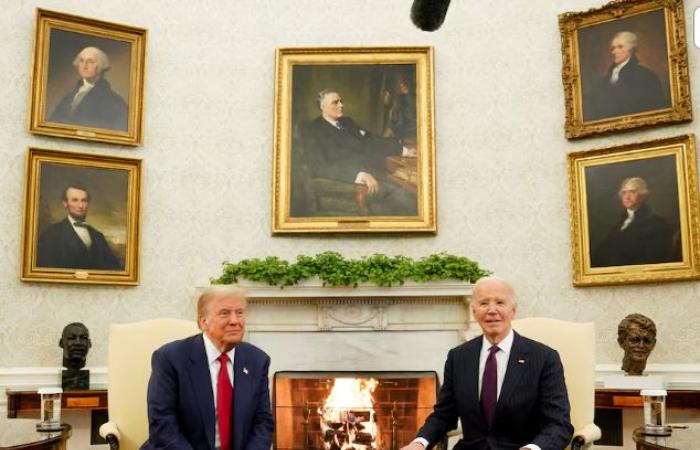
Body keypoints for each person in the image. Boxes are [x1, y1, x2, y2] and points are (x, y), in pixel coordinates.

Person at [400, 277, 573, 450]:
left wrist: (533, 449)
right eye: (484, 303)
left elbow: (559, 425)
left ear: (513, 310)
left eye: (500, 302)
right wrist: (419, 442)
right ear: (474, 311)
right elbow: (443, 415)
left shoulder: (544, 358)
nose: (492, 310)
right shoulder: (458, 357)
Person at [141, 286, 274, 450]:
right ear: (203, 322)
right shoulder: (170, 358)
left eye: (239, 312)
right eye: (224, 313)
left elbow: (263, 422)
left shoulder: (257, 360)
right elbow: (162, 424)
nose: (235, 321)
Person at [299, 89, 418, 216]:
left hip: (376, 172)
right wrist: (360, 175)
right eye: (335, 102)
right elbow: (320, 166)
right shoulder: (313, 130)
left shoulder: (347, 122)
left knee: (412, 188)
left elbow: (371, 140)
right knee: (406, 199)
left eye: (341, 101)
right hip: (351, 181)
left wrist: (403, 150)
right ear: (323, 106)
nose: (341, 105)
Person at [584, 31, 667, 121]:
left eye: (620, 47)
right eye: (613, 48)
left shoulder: (645, 75)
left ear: (631, 50)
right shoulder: (607, 77)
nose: (614, 52)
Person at [592, 177, 674, 267]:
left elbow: (654, 260)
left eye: (632, 192)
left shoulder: (657, 223)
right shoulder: (618, 224)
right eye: (624, 192)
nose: (627, 197)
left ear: (643, 195)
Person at [36, 184, 122, 270]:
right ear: (65, 204)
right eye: (75, 200)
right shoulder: (51, 234)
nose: (80, 206)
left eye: (84, 200)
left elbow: (114, 270)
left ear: (88, 203)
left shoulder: (98, 236)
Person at [49, 46, 128, 131]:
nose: (84, 66)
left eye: (90, 62)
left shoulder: (113, 101)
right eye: (81, 61)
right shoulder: (69, 97)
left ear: (100, 66)